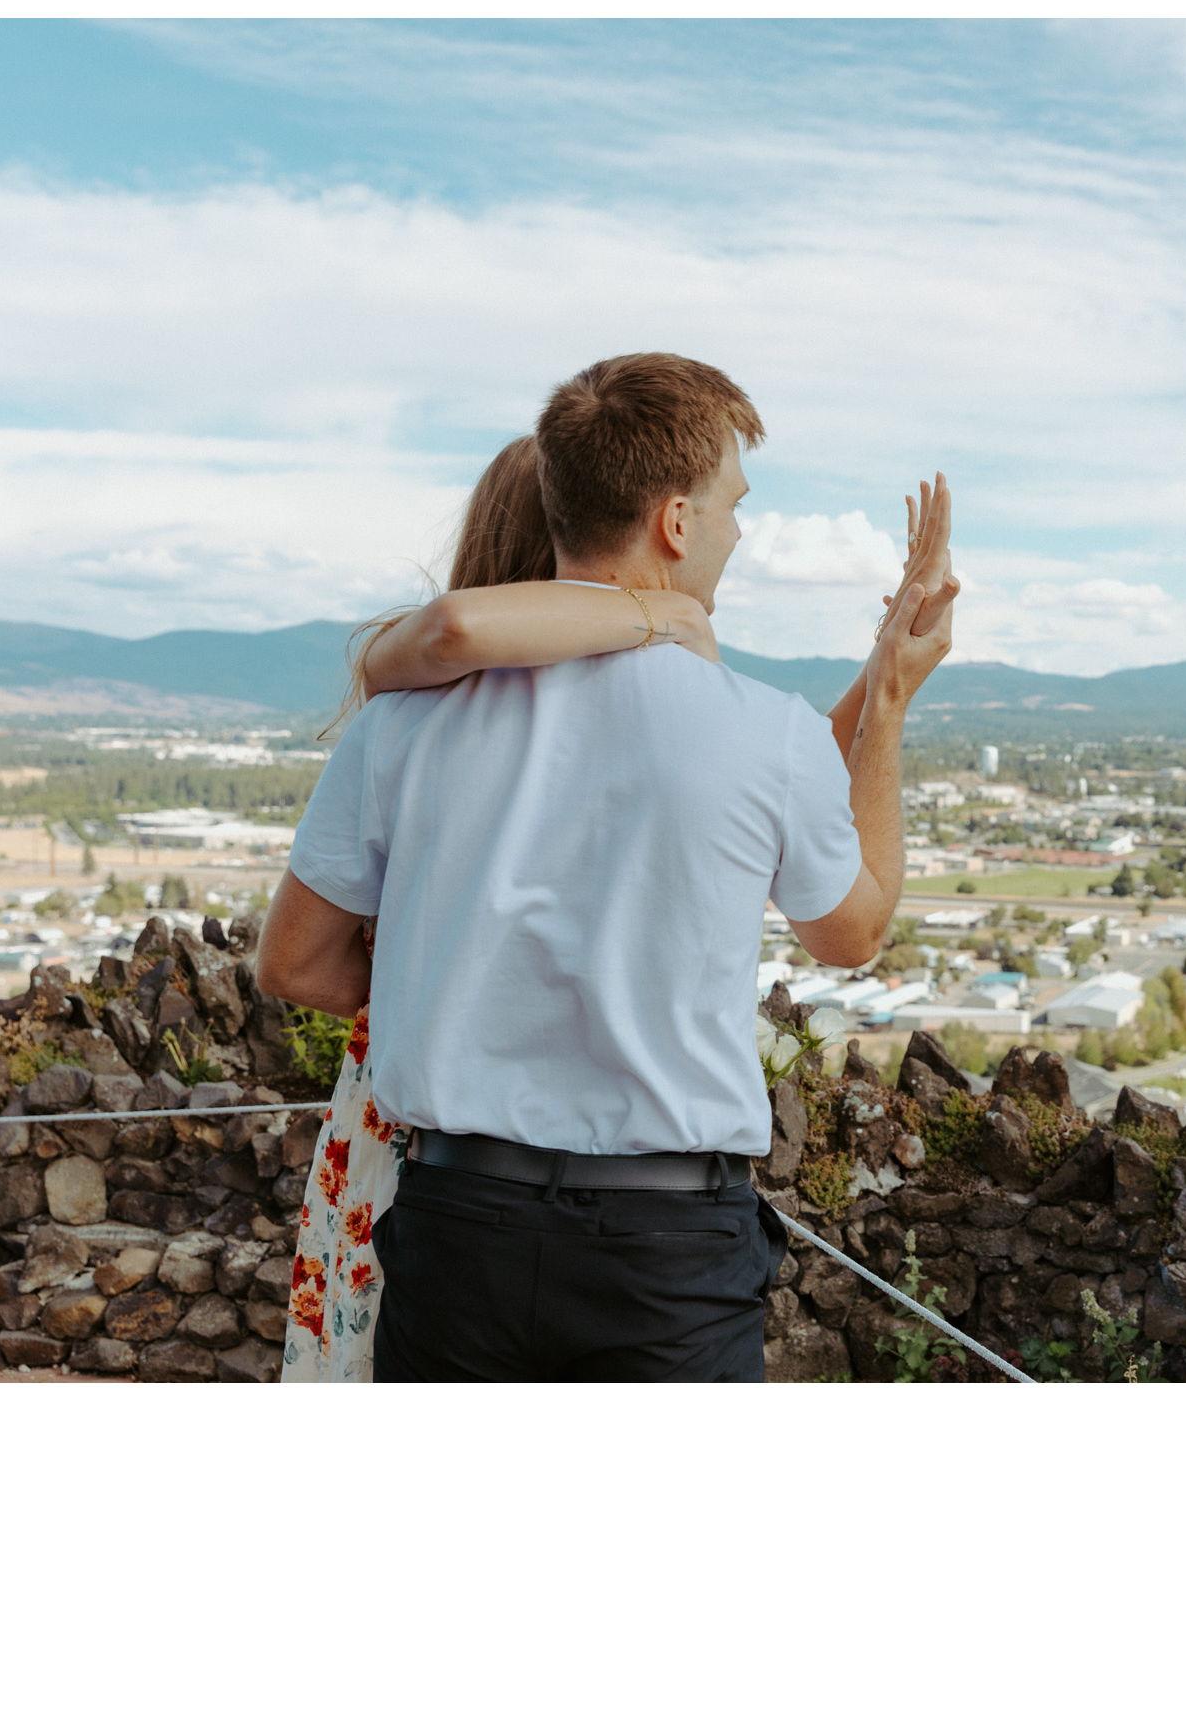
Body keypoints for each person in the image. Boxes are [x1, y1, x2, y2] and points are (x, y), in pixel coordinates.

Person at [258, 352, 958, 1381]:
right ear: (675, 521)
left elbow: (296, 964)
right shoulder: (764, 731)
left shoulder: (400, 727)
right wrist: (888, 701)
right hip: (665, 1254)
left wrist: (467, 983)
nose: (736, 531)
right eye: (731, 504)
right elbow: (849, 930)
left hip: (457, 1228)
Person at [279, 434, 724, 1379]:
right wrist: (668, 617)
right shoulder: (675, 714)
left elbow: (295, 963)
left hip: (426, 1142)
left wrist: (445, 987)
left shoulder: (411, 716)